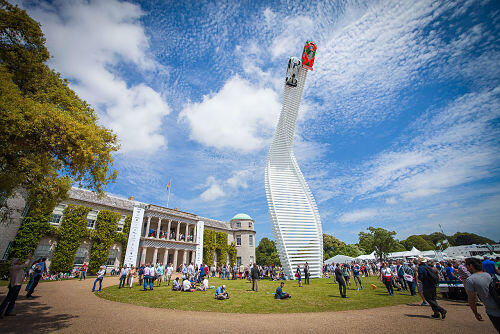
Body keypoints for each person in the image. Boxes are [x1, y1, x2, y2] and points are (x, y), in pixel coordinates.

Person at [465, 257, 500, 331]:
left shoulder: (470, 280)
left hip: (493, 310)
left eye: (467, 266)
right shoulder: (492, 275)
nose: (466, 268)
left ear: (471, 266)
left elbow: (471, 299)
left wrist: (475, 313)